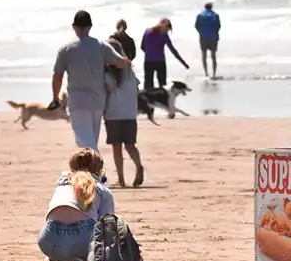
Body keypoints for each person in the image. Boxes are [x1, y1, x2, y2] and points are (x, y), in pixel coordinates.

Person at [35, 148, 115, 261]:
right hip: (81, 244)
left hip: (48, 242)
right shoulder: (102, 190)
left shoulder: (61, 185)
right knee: (94, 229)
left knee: (59, 223)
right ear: (99, 169)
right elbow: (106, 226)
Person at [50, 10, 129, 151]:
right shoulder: (101, 46)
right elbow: (122, 63)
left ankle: (95, 169)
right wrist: (121, 50)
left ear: (74, 27)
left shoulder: (66, 50)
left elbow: (58, 76)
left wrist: (55, 97)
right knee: (91, 139)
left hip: (78, 100)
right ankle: (94, 169)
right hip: (98, 101)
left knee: (85, 141)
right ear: (90, 26)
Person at [104, 38, 145, 188]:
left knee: (117, 148)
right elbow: (137, 89)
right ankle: (139, 165)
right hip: (129, 113)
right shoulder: (129, 72)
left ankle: (121, 179)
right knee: (130, 145)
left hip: (113, 113)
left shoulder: (107, 75)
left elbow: (104, 93)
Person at [140, 18, 189, 90]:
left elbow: (142, 47)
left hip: (148, 61)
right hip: (160, 62)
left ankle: (149, 100)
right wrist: (183, 63)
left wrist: (150, 53)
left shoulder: (147, 31)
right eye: (167, 29)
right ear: (163, 26)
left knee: (148, 85)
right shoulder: (164, 36)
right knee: (162, 85)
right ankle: (158, 100)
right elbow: (173, 50)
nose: (167, 31)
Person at [195, 2, 221, 77]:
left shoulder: (200, 15)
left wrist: (201, 32)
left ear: (205, 7)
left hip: (203, 37)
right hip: (213, 37)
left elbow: (196, 26)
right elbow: (218, 26)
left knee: (204, 55)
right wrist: (214, 32)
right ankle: (214, 74)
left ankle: (206, 73)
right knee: (213, 56)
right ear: (211, 7)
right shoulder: (215, 15)